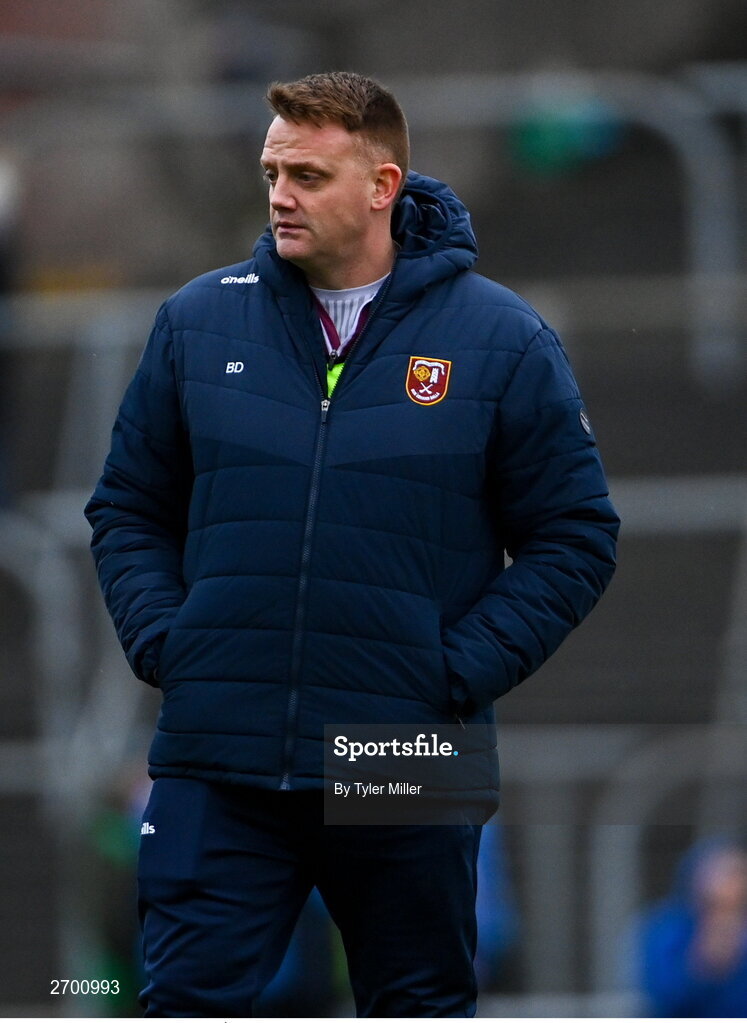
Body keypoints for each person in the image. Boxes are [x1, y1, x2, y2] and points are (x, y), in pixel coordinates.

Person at [85, 71, 619, 1017]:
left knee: (416, 999)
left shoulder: (500, 338)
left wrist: (450, 670)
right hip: (222, 739)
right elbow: (127, 505)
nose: (280, 194)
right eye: (271, 171)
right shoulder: (198, 321)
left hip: (404, 739)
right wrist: (172, 643)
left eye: (308, 174)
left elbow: (574, 536)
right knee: (187, 1001)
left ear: (382, 187)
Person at [636, 838, 747, 1016]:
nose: (732, 883)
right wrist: (704, 965)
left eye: (739, 873)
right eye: (724, 873)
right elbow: (665, 995)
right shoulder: (668, 928)